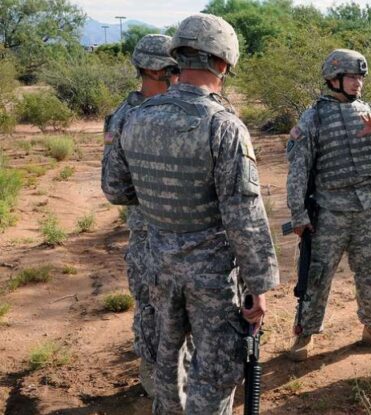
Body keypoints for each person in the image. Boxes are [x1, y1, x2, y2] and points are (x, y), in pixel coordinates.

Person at [101, 13, 279, 414]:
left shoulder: (135, 117)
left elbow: (116, 190)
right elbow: (244, 215)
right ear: (223, 61)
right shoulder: (224, 125)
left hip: (157, 263)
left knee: (168, 372)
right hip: (211, 274)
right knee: (213, 378)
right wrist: (259, 285)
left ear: (179, 57)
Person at [285, 49, 371, 361]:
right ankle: (306, 333)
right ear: (334, 79)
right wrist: (299, 213)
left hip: (369, 206)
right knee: (317, 273)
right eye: (352, 77)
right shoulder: (314, 117)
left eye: (360, 77)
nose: (358, 83)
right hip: (330, 210)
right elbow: (298, 168)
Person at [100, 33, 180, 398]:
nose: (181, 74)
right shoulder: (126, 116)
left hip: (189, 231)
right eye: (173, 68)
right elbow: (115, 186)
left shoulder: (184, 107)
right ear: (152, 69)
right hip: (148, 232)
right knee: (150, 306)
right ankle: (151, 372)